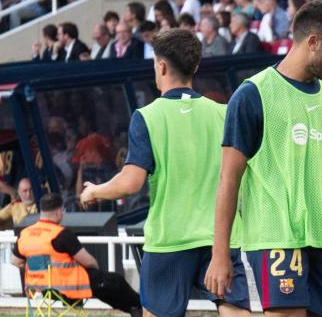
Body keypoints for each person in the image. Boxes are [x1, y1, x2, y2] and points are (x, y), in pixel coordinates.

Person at [204, 0, 322, 316]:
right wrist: (220, 253)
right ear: (312, 42)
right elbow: (228, 180)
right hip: (274, 239)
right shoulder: (253, 93)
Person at [80, 29, 251, 317]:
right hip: (219, 237)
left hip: (170, 240)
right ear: (194, 67)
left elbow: (131, 183)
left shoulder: (147, 116)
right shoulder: (223, 113)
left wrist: (94, 190)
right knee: (234, 309)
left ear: (161, 66)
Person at [11, 193, 142, 316]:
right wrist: (95, 270)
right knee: (113, 281)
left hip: (38, 289)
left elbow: (15, 261)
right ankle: (140, 308)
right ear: (59, 211)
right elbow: (88, 261)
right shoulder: (61, 234)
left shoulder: (25, 234)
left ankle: (136, 310)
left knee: (106, 285)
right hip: (68, 287)